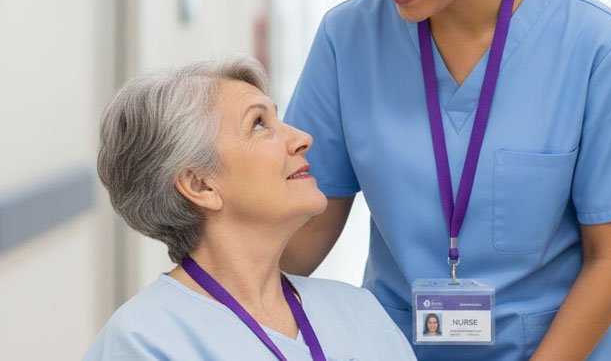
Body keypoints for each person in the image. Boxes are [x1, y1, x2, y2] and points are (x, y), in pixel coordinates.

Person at [282, 0, 611, 359]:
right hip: (396, 346)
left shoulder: (598, 47)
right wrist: (205, 300)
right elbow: (307, 226)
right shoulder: (348, 38)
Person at [84, 58, 417, 361]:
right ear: (201, 185)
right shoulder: (144, 341)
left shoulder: (360, 312)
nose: (303, 138)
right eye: (258, 124)